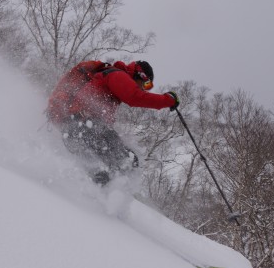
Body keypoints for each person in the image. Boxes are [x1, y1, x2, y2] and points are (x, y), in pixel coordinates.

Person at [47, 60, 179, 185]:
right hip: (82, 125)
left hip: (79, 128)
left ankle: (107, 196)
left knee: (127, 161)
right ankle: (95, 198)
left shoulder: (112, 77)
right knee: (122, 162)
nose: (144, 89)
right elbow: (135, 97)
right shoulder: (117, 75)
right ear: (140, 75)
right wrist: (168, 100)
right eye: (146, 84)